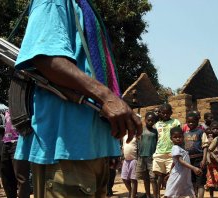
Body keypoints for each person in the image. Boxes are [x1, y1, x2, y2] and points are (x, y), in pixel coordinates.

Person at [13, 0, 142, 197]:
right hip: (65, 149)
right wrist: (107, 96)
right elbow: (46, 58)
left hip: (94, 150)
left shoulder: (84, 7)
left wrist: (109, 146)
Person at [0, 110, 31, 198]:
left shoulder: (25, 106)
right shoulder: (7, 111)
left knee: (21, 176)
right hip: (6, 142)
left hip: (19, 142)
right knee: (6, 174)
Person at [164, 127, 202, 197]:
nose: (178, 138)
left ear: (183, 137)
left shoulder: (181, 148)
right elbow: (180, 161)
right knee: (171, 193)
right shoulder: (176, 148)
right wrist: (194, 168)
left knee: (181, 192)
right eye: (175, 137)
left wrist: (169, 172)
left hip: (183, 175)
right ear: (171, 138)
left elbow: (174, 162)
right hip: (178, 175)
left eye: (180, 136)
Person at [153, 104, 181, 193]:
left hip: (171, 153)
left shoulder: (176, 122)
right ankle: (157, 194)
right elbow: (155, 139)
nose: (165, 115)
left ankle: (171, 193)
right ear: (160, 113)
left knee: (172, 175)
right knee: (159, 176)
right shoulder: (157, 125)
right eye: (163, 113)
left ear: (171, 113)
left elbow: (180, 137)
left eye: (167, 113)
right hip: (159, 153)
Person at [183, 112, 207, 197]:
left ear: (197, 122)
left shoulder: (201, 132)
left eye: (193, 122)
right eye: (189, 122)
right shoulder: (185, 133)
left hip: (199, 159)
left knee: (200, 182)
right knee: (192, 181)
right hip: (189, 160)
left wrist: (204, 159)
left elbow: (205, 146)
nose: (191, 124)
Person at [136, 112, 158, 198]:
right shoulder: (140, 130)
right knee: (145, 178)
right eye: (148, 120)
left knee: (153, 178)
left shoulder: (155, 131)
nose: (150, 122)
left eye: (152, 121)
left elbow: (157, 143)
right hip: (141, 157)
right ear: (145, 120)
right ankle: (148, 195)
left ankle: (155, 196)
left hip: (151, 157)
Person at [203, 127, 218, 198]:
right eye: (209, 134)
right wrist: (208, 161)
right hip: (211, 164)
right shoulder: (208, 141)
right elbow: (208, 151)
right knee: (211, 180)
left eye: (211, 134)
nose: (210, 135)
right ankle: (211, 196)